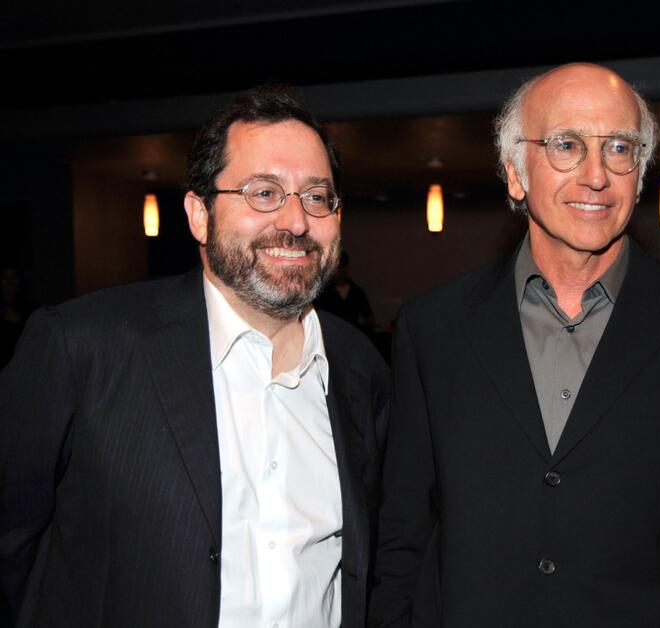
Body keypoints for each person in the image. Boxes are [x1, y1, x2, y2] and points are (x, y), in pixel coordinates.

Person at [368, 63, 660, 627]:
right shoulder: (433, 329)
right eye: (566, 145)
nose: (596, 175)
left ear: (639, 172)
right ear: (515, 173)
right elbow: (403, 545)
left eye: (619, 147)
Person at [0, 85, 389, 628]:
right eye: (263, 192)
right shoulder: (81, 348)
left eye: (318, 196)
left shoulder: (361, 370)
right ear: (199, 215)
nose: (296, 222)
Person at [317, 251, 376, 337]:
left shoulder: (356, 292)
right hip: (329, 338)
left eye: (337, 268)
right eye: (331, 269)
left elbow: (369, 317)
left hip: (351, 338)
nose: (334, 273)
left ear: (344, 268)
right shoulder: (323, 293)